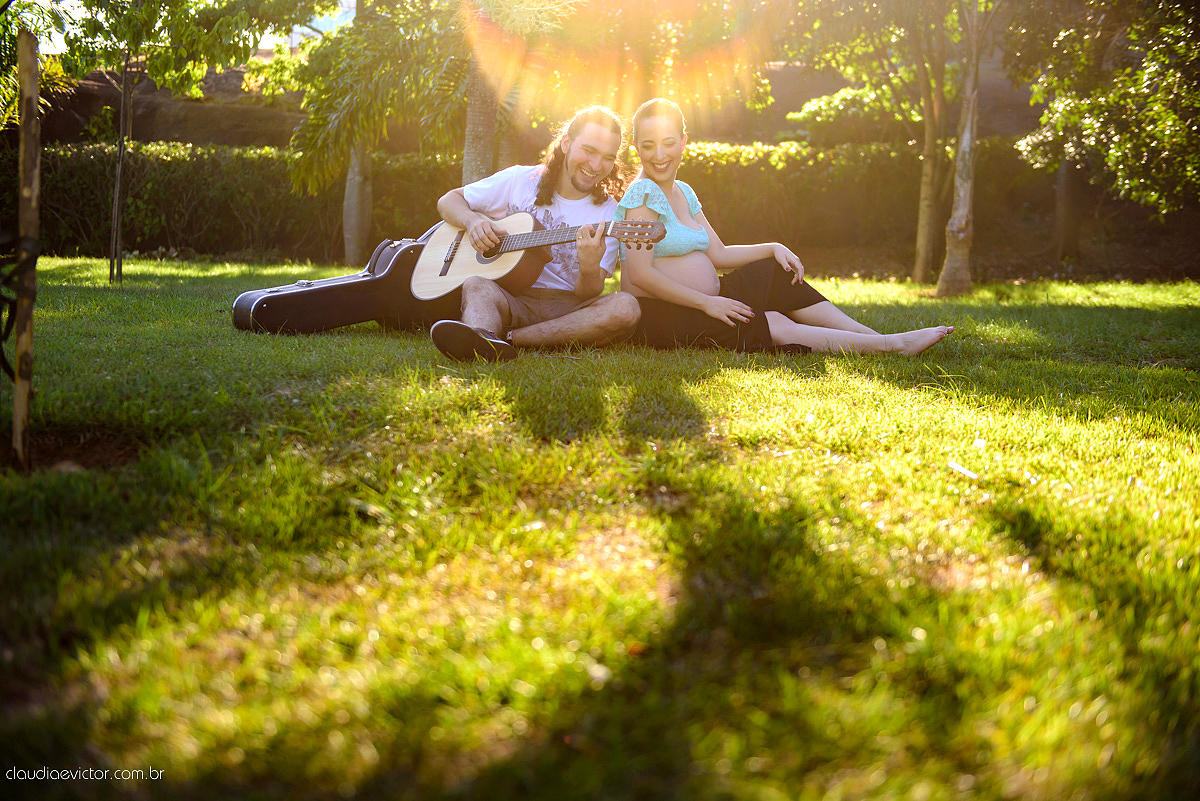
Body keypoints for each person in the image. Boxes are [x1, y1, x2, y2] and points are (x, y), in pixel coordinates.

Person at [616, 98, 954, 356]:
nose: (659, 155)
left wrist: (773, 247)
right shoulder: (642, 194)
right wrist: (707, 304)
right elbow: (641, 275)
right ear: (636, 149)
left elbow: (718, 254)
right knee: (773, 322)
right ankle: (890, 346)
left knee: (775, 271)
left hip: (710, 298)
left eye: (668, 142)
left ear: (684, 141)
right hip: (665, 315)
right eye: (648, 145)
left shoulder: (683, 191)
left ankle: (876, 337)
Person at [429, 105, 641, 362]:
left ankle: (504, 339)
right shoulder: (519, 180)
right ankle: (481, 337)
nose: (596, 165)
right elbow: (448, 201)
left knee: (625, 307)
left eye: (608, 157)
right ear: (566, 143)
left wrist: (588, 267)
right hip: (511, 297)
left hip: (568, 311)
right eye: (589, 150)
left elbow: (588, 294)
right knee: (476, 285)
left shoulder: (610, 215)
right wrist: (472, 222)